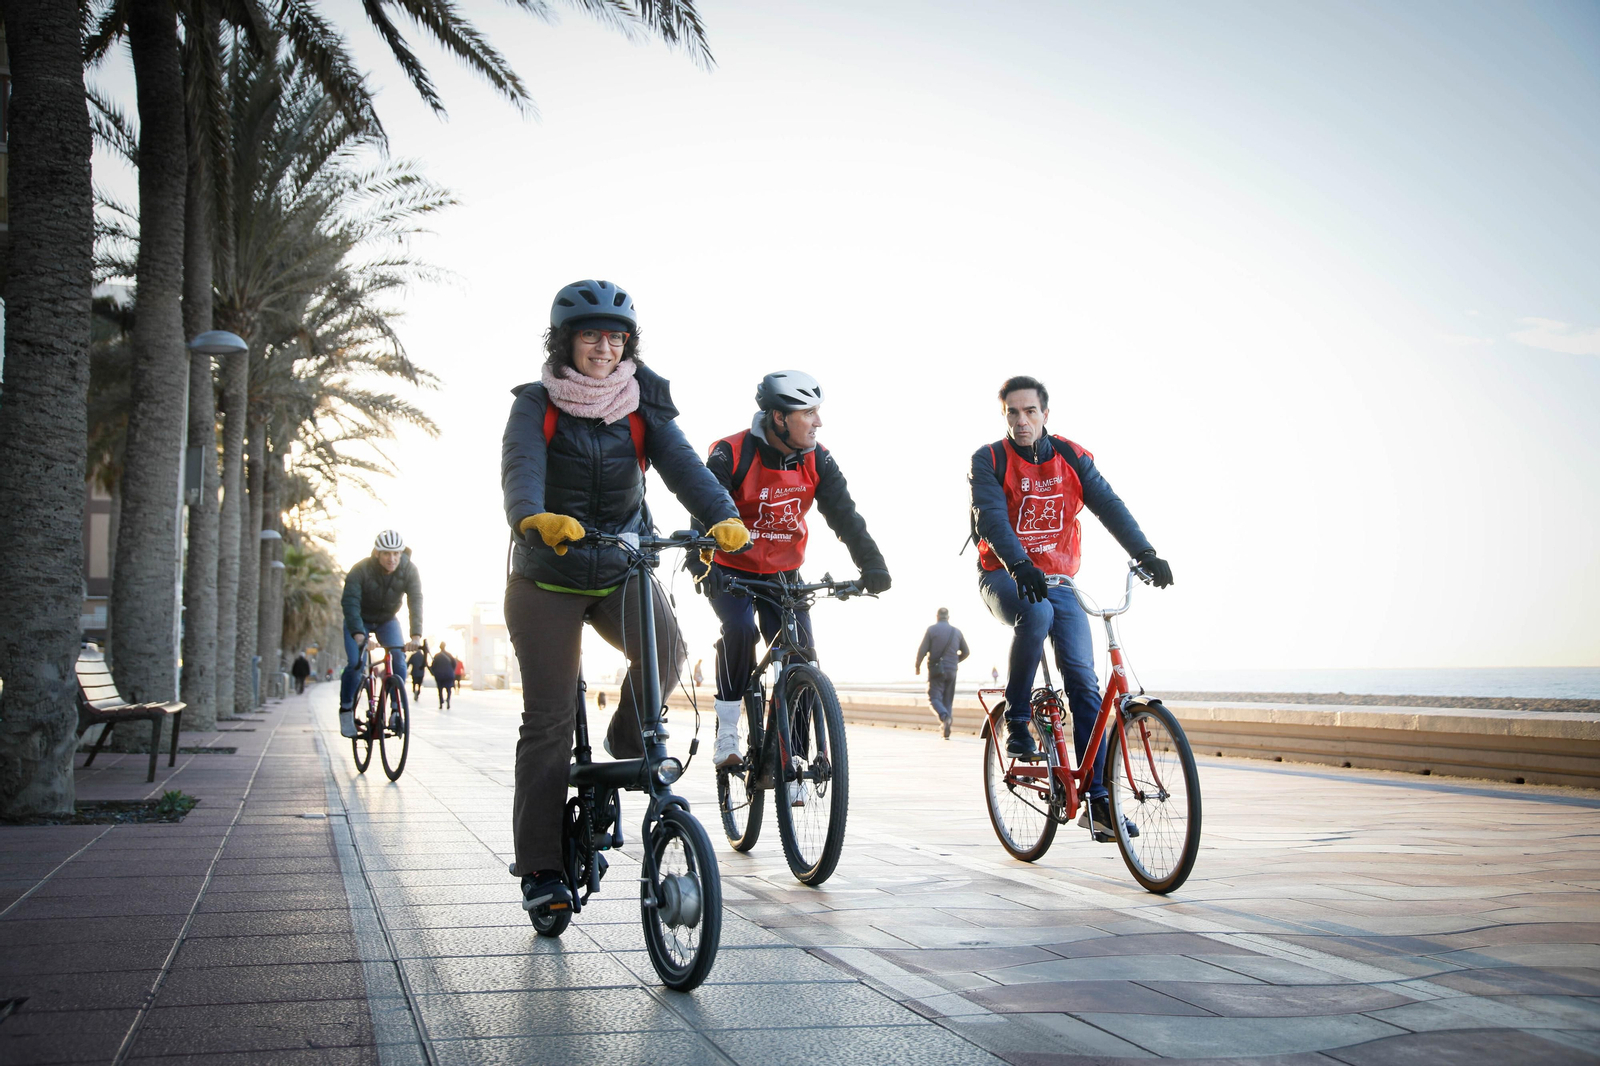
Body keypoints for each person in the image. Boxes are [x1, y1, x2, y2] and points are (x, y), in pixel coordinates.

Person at [501, 278, 749, 914]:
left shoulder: (643, 403)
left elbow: (684, 465)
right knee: (549, 723)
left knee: (667, 653)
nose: (604, 348)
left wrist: (721, 513)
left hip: (619, 567)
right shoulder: (536, 404)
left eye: (616, 338)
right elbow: (521, 470)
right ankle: (542, 872)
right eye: (591, 336)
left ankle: (625, 745)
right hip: (546, 574)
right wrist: (532, 518)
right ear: (566, 341)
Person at [969, 375, 1173, 842]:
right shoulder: (989, 459)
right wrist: (1019, 564)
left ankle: (1098, 802)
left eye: (1030, 411)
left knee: (1084, 680)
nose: (1022, 421)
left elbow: (1109, 505)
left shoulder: (1071, 457)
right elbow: (991, 519)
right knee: (1036, 615)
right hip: (1003, 573)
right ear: (1004, 417)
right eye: (1013, 413)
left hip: (1058, 579)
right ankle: (1018, 719)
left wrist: (1145, 553)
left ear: (1046, 414)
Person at [690, 370, 891, 792]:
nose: (819, 422)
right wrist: (702, 564)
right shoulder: (730, 453)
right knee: (739, 630)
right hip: (730, 569)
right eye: (809, 413)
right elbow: (703, 506)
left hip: (783, 573)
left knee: (800, 656)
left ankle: (792, 757)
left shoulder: (819, 460)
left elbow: (845, 516)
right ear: (779, 418)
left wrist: (872, 565)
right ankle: (728, 729)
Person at [338, 530, 423, 738]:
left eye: (396, 553)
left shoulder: (409, 570)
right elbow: (350, 603)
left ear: (401, 553)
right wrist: (359, 635)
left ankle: (395, 710)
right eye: (386, 553)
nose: (392, 558)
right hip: (359, 620)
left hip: (387, 620)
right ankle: (346, 709)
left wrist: (415, 636)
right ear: (377, 553)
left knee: (399, 661)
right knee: (356, 663)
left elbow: (415, 601)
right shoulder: (360, 570)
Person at [916, 608, 969, 739]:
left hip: (936, 670)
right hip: (952, 670)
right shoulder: (957, 632)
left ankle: (945, 717)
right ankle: (946, 726)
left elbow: (922, 650)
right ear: (948, 617)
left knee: (934, 698)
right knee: (948, 700)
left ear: (937, 617)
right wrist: (955, 661)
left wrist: (917, 666)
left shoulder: (931, 630)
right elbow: (966, 652)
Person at [430, 642, 458, 709]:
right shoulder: (449, 655)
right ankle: (448, 700)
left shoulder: (437, 656)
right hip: (448, 675)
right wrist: (451, 671)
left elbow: (433, 666)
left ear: (440, 647)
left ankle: (441, 703)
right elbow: (454, 664)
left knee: (440, 690)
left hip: (439, 675)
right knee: (448, 689)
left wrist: (434, 673)